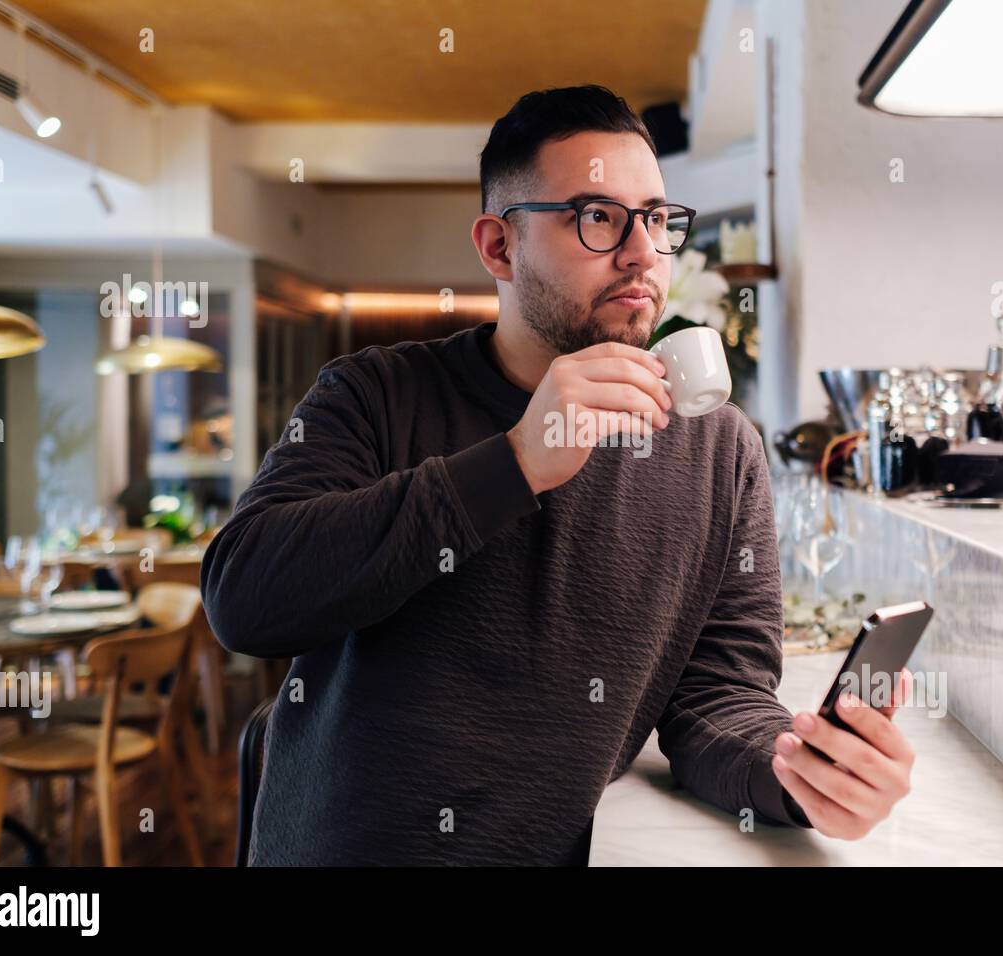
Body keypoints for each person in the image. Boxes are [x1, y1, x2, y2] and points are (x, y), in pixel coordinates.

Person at [201, 85, 914, 866]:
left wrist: (800, 774)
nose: (643, 252)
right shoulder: (372, 394)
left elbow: (718, 696)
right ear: (498, 247)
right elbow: (244, 600)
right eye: (598, 216)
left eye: (656, 219)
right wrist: (514, 463)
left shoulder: (719, 449)